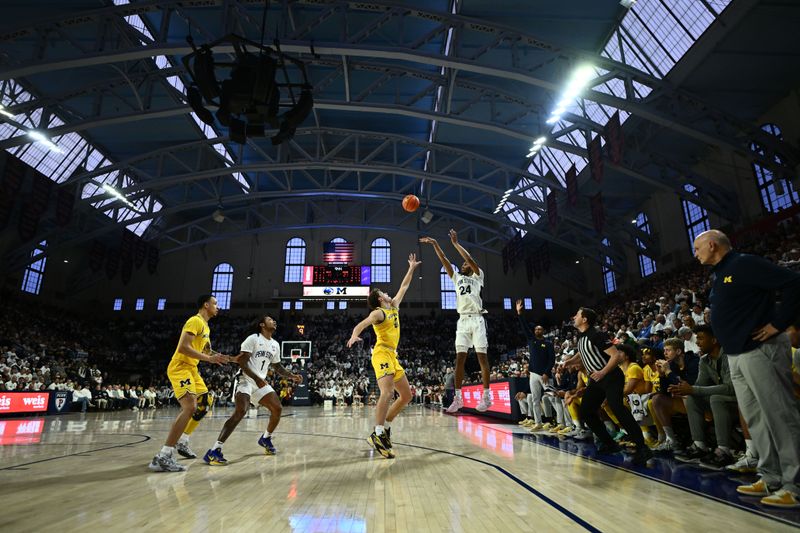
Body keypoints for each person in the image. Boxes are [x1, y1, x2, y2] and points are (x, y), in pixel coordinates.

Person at [694, 229, 800, 508]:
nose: (695, 253)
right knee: (756, 419)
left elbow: (794, 283)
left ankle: (795, 483)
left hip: (760, 350)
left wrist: (778, 323)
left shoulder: (744, 263)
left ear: (713, 245)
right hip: (737, 353)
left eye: (697, 248)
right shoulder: (719, 273)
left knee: (779, 415)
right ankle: (771, 476)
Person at [347, 253, 421, 459]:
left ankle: (385, 427)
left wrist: (411, 268)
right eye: (384, 292)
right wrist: (354, 335)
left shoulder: (394, 306)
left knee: (406, 395)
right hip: (381, 354)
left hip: (393, 356)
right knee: (387, 393)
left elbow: (404, 286)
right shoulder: (378, 313)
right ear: (380, 299)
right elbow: (362, 324)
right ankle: (378, 433)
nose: (389, 293)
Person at [148, 295, 233, 472]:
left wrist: (227, 358)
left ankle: (183, 441)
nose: (218, 307)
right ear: (206, 305)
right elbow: (183, 347)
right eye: (215, 304)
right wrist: (210, 359)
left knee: (205, 403)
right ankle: (163, 456)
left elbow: (207, 350)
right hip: (181, 367)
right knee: (189, 407)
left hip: (192, 369)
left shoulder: (206, 326)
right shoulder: (195, 320)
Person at [203, 315, 302, 465]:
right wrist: (257, 379)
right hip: (245, 380)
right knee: (241, 411)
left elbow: (277, 367)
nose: (274, 321)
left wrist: (291, 376)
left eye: (274, 320)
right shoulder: (253, 339)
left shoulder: (275, 344)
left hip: (259, 382)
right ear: (262, 324)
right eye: (270, 320)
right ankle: (214, 451)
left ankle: (266, 438)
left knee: (277, 408)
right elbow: (242, 362)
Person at [560, 307, 652, 466]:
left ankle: (642, 447)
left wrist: (602, 372)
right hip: (596, 379)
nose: (574, 316)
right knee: (587, 412)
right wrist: (569, 362)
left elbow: (615, 356)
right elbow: (582, 353)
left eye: (577, 314)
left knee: (617, 407)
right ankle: (610, 443)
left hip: (610, 377)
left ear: (585, 319)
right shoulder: (582, 337)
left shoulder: (597, 334)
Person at [420, 230, 492, 412]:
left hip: (477, 319)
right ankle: (458, 399)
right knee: (459, 359)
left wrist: (455, 244)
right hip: (462, 321)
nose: (464, 264)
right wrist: (436, 243)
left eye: (466, 263)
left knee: (482, 358)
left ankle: (486, 397)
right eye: (463, 263)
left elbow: (471, 260)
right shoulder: (457, 278)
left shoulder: (478, 276)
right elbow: (444, 260)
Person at [671, 324, 738, 470]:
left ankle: (724, 451)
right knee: (693, 398)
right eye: (697, 338)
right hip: (722, 401)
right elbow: (699, 387)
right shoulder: (704, 360)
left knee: (716, 398)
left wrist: (693, 389)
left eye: (701, 338)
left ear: (714, 340)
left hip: (739, 400)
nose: (697, 342)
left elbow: (730, 388)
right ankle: (700, 446)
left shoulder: (729, 356)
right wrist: (684, 390)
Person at [515, 299, 555, 430]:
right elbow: (524, 326)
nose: (538, 330)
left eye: (540, 329)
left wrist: (546, 373)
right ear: (534, 331)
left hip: (545, 375)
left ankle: (551, 420)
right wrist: (519, 313)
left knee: (551, 398)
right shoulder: (531, 340)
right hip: (533, 374)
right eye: (536, 329)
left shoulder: (548, 344)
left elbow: (552, 359)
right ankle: (538, 422)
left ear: (543, 331)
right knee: (535, 400)